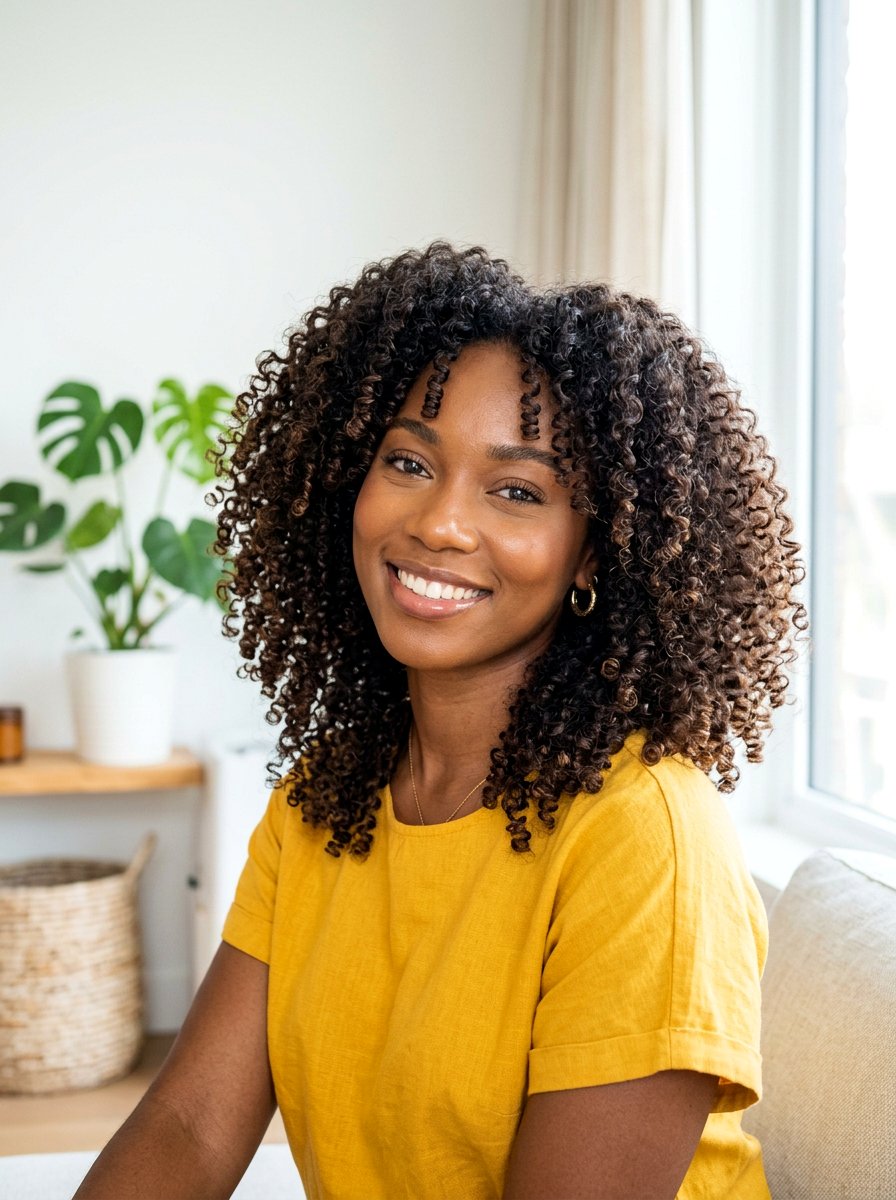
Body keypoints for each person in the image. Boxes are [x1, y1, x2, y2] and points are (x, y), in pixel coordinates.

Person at [73, 242, 807, 1199]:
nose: (440, 524)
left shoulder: (645, 836)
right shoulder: (324, 801)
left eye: (516, 490)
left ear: (595, 553)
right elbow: (186, 1126)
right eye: (410, 461)